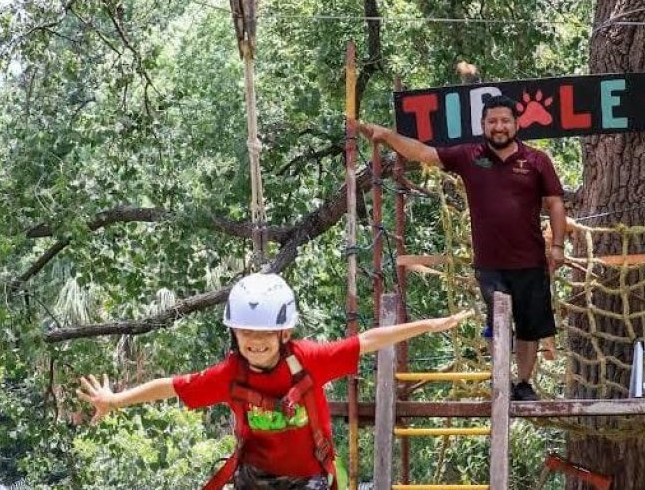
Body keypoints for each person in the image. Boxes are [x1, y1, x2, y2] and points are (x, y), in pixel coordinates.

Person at [77, 273, 471, 489]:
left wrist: (428, 325)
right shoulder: (232, 373)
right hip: (255, 479)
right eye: (246, 333)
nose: (255, 342)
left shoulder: (309, 360)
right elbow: (171, 386)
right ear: (234, 334)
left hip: (310, 480)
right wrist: (116, 399)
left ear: (284, 334)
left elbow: (367, 341)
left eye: (265, 334)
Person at [357, 95, 567, 401]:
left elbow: (555, 203)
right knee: (498, 319)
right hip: (490, 263)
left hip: (531, 260)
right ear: (483, 124)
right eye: (492, 121)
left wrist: (558, 245)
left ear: (516, 124)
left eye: (505, 121)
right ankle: (501, 380)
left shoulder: (537, 160)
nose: (499, 127)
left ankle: (523, 383)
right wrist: (387, 135)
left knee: (529, 327)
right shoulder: (470, 155)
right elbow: (424, 154)